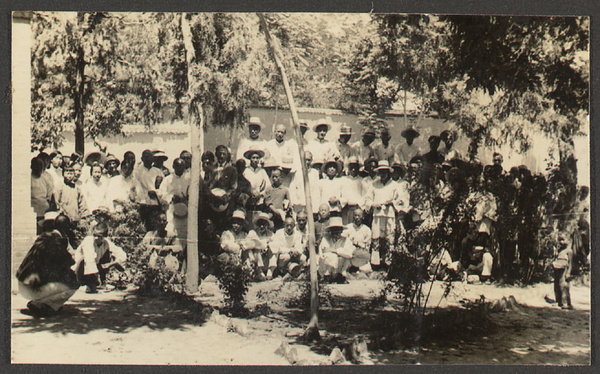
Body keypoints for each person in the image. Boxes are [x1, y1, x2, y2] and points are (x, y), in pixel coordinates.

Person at [16, 212, 79, 317]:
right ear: (66, 229)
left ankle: (39, 303)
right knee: (73, 281)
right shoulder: (58, 241)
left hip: (22, 284)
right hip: (33, 288)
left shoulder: (42, 238)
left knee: (59, 275)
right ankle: (45, 305)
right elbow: (69, 262)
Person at [367, 160, 404, 269]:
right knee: (376, 238)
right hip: (377, 215)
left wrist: (392, 203)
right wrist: (374, 204)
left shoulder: (395, 185)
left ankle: (388, 263)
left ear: (389, 172)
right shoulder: (374, 184)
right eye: (380, 172)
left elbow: (401, 199)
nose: (382, 174)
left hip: (389, 214)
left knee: (389, 238)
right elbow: (367, 199)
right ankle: (375, 263)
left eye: (385, 172)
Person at [73, 222, 127, 293]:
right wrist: (94, 279)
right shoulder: (88, 241)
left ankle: (99, 282)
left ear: (104, 237)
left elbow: (121, 254)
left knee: (107, 254)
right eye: (94, 235)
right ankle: (84, 284)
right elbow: (90, 261)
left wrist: (112, 263)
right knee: (85, 259)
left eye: (99, 236)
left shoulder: (106, 243)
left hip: (94, 268)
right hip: (80, 270)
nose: (96, 238)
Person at [159, 158, 190, 244]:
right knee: (171, 230)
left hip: (185, 209)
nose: (180, 169)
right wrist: (171, 197)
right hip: (171, 209)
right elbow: (161, 194)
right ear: (173, 167)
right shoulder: (167, 180)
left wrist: (185, 199)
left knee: (183, 232)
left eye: (182, 167)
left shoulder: (188, 180)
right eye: (178, 166)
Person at [318, 216, 354, 283]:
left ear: (341, 231)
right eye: (333, 230)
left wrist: (336, 251)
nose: (335, 232)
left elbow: (350, 254)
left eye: (337, 230)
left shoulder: (345, 240)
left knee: (346, 258)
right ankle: (327, 277)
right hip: (327, 268)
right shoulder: (325, 239)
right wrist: (336, 253)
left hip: (340, 268)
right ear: (330, 231)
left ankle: (340, 276)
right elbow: (323, 252)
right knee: (330, 256)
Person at [340, 208, 373, 278]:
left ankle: (358, 270)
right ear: (353, 216)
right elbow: (343, 242)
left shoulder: (367, 229)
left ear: (363, 217)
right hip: (349, 254)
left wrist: (359, 246)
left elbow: (367, 245)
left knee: (366, 270)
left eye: (359, 215)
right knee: (344, 271)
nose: (357, 217)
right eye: (355, 215)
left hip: (360, 254)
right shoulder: (347, 227)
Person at [136, 149, 163, 230]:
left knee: (154, 227)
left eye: (150, 157)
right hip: (143, 204)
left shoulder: (157, 171)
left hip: (154, 203)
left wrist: (155, 193)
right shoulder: (137, 171)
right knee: (143, 227)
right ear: (142, 159)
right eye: (146, 157)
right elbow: (136, 186)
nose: (148, 159)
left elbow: (162, 187)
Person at [244, 212, 274, 280]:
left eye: (264, 224)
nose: (262, 226)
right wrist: (261, 245)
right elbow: (247, 244)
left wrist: (268, 246)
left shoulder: (270, 234)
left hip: (267, 260)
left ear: (267, 225)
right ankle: (260, 273)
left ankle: (270, 272)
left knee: (273, 248)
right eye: (260, 224)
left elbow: (276, 245)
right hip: (256, 260)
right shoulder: (252, 232)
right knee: (256, 248)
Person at [243, 149, 270, 221]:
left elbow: (268, 186)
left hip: (260, 201)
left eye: (257, 158)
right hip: (248, 201)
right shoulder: (246, 171)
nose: (255, 160)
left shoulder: (262, 171)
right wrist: (250, 192)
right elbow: (243, 185)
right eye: (253, 158)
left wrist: (261, 194)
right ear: (250, 159)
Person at [340, 156, 368, 225]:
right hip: (347, 208)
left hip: (357, 207)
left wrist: (361, 206)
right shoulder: (343, 180)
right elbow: (339, 194)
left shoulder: (361, 180)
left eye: (355, 167)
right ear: (348, 168)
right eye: (351, 167)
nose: (353, 170)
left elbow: (365, 195)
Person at [31, 157, 55, 231]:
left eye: (40, 166)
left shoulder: (46, 178)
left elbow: (50, 194)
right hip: (33, 211)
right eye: (36, 166)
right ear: (32, 167)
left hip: (44, 211)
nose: (38, 168)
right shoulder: (28, 179)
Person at [553, 234, 574, 309]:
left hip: (564, 270)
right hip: (557, 268)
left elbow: (570, 263)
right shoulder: (559, 250)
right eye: (560, 240)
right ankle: (558, 301)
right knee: (556, 285)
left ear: (568, 241)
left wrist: (568, 272)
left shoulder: (569, 251)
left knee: (564, 285)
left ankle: (566, 303)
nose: (561, 242)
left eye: (563, 240)